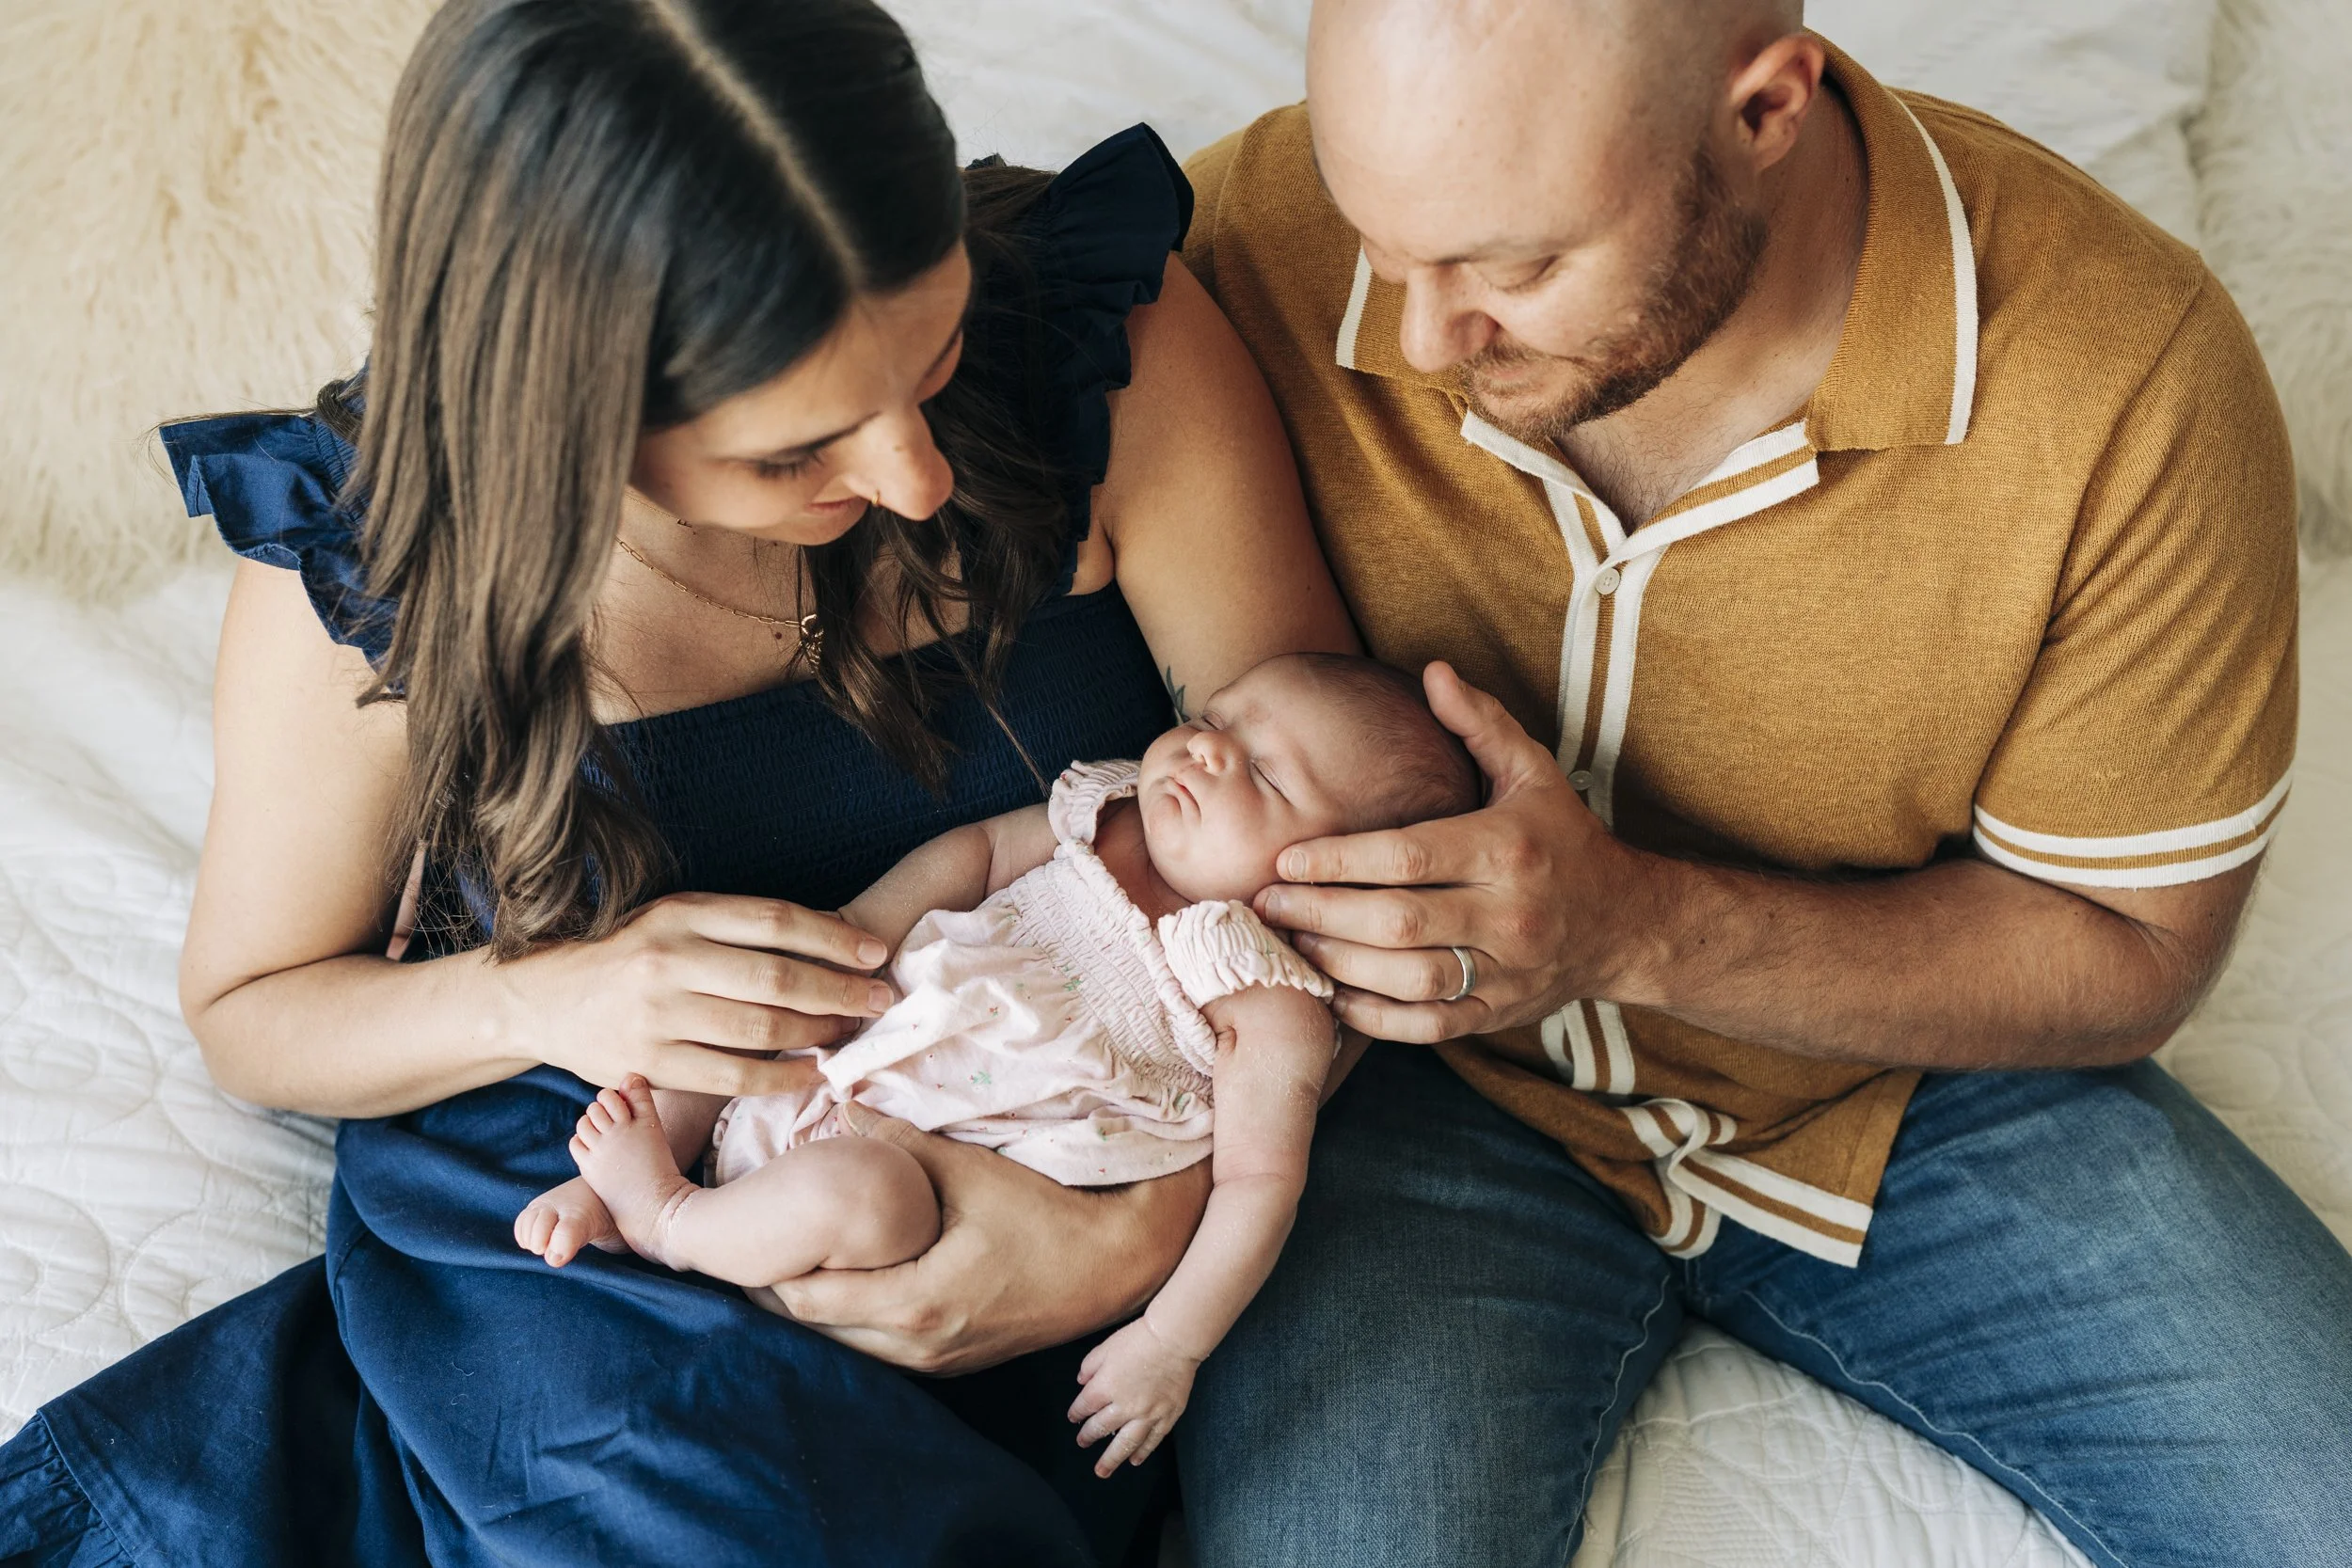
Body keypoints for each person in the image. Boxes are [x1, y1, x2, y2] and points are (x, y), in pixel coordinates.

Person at [0, 1, 1353, 1563]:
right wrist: (549, 1000)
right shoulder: (378, 585)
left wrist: (1129, 1243)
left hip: (1050, 1128)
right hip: (594, 1165)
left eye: (937, 355)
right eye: (800, 451)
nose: (915, 473)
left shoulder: (1103, 344)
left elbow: (1339, 863)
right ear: (569, 420)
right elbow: (251, 1012)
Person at [1173, 2, 2352, 1565]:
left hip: (1909, 1087)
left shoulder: (2128, 385)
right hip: (1421, 1104)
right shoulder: (1241, 244)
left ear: (1768, 109)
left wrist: (1632, 927)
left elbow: (2129, 951)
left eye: (1516, 268)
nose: (1415, 339)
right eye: (1383, 243)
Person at [522, 653, 1479, 1479]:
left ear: (1333, 877)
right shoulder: (1103, 816)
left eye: (1265, 775)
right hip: (853, 1036)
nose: (1208, 749)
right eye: (1212, 716)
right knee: (746, 1014)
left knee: (859, 1191)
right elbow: (974, 853)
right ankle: (612, 1184)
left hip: (914, 1180)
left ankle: (671, 1217)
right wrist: (861, 934)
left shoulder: (1265, 998)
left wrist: (1169, 1341)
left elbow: (1259, 1183)